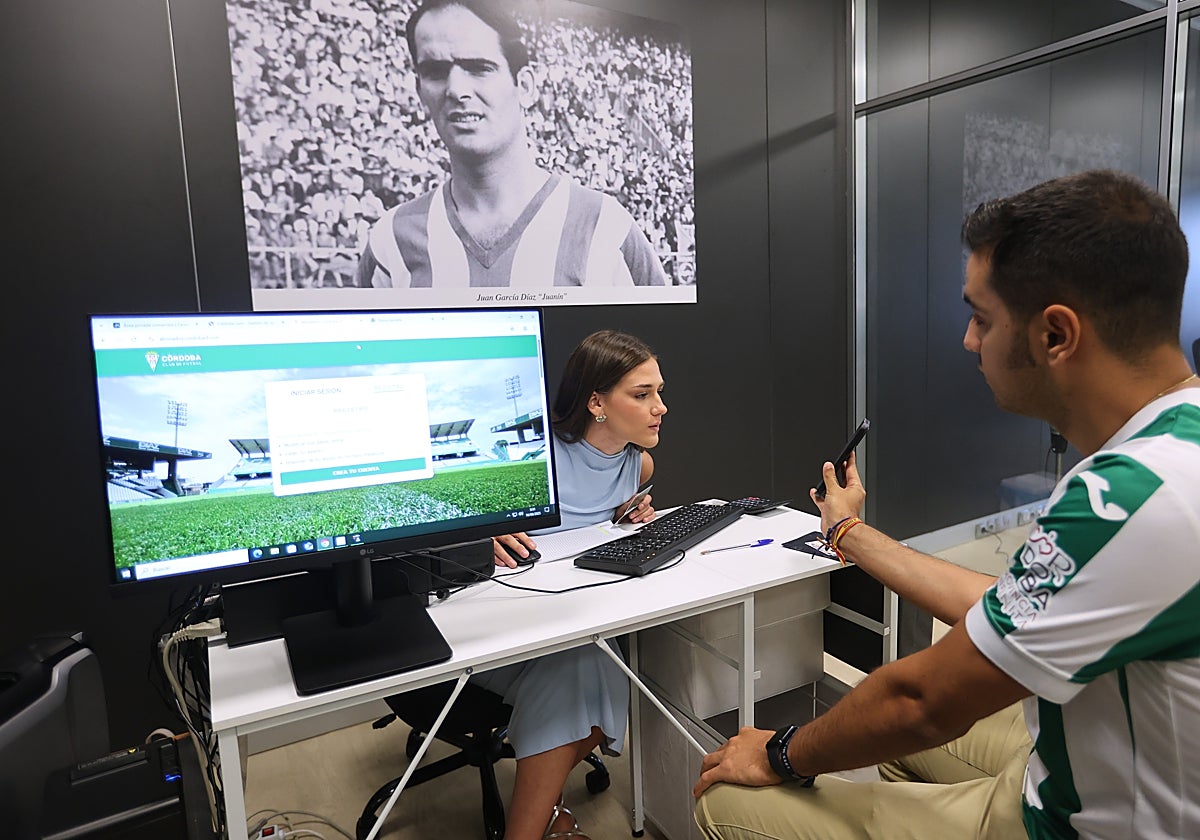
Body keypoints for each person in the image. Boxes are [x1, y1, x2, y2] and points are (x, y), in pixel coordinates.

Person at [692, 169, 1200, 840]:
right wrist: (846, 531)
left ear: (1056, 335)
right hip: (1092, 757)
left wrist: (779, 752)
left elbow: (923, 702)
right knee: (881, 732)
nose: (968, 341)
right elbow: (1015, 602)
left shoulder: (1130, 498)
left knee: (726, 801)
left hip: (1081, 824)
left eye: (981, 318)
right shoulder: (1176, 441)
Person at [474, 329, 667, 840]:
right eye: (643, 394)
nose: (660, 408)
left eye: (659, 393)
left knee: (588, 660)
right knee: (580, 663)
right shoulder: (530, 461)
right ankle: (537, 828)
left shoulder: (637, 464)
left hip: (572, 620)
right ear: (597, 403)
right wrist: (480, 533)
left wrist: (621, 522)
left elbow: (587, 537)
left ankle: (547, 814)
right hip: (502, 629)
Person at [354, 0, 669, 290]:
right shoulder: (390, 242)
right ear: (419, 89)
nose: (456, 89)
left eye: (479, 68)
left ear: (527, 87)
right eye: (435, 71)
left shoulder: (604, 229)